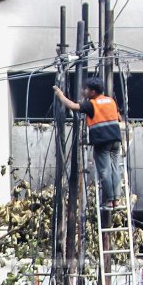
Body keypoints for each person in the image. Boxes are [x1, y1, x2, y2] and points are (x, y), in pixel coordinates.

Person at [53, 78, 124, 208]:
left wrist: (60, 95)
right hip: (116, 140)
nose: (83, 91)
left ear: (92, 92)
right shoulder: (111, 101)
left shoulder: (92, 104)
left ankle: (109, 200)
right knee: (115, 169)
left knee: (105, 171)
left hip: (102, 142)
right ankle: (117, 200)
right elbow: (119, 118)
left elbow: (73, 106)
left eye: (86, 89)